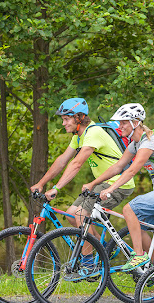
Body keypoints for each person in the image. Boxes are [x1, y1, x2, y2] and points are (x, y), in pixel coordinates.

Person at [81, 103, 154, 271]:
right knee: (139, 226)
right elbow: (118, 167)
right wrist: (94, 184)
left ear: (135, 123)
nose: (119, 126)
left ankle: (139, 256)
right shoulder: (135, 144)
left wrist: (109, 189)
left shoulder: (150, 142)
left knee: (129, 209)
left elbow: (131, 171)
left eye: (123, 122)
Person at [30, 97, 135, 231]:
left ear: (79, 117)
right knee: (71, 215)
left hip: (119, 182)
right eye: (63, 119)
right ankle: (98, 248)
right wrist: (41, 183)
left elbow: (76, 164)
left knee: (80, 215)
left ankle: (88, 253)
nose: (63, 123)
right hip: (102, 182)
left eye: (66, 119)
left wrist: (56, 188)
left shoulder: (93, 132)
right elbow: (62, 161)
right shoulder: (79, 136)